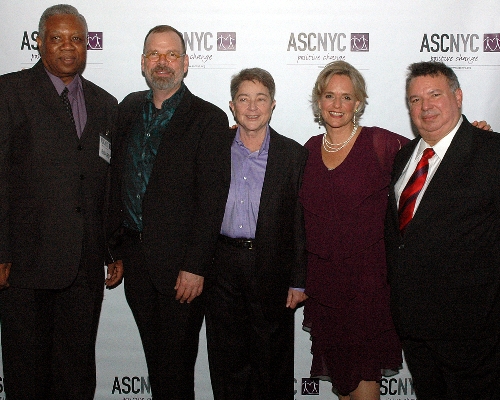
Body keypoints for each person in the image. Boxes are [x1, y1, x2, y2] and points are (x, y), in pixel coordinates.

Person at [0, 4, 120, 399]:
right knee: (26, 373)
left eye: (76, 39)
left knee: (76, 374)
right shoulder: (9, 93)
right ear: (38, 42)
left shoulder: (105, 104)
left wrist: (111, 248)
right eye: (57, 38)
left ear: (87, 45)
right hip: (24, 264)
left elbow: (106, 185)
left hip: (84, 268)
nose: (68, 47)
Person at [106, 25, 230, 399]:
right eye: (155, 55)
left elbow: (212, 199)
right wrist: (115, 250)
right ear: (144, 63)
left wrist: (195, 266)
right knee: (155, 362)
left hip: (182, 269)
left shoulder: (207, 119)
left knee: (176, 367)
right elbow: (115, 180)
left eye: (171, 54)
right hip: (136, 262)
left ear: (186, 63)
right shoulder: (126, 108)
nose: (163, 63)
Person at [187, 67, 308, 399]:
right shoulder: (213, 148)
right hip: (220, 266)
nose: (252, 108)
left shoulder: (293, 155)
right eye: (244, 99)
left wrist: (298, 279)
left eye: (260, 99)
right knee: (227, 359)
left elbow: (299, 222)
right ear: (231, 105)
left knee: (273, 361)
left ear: (272, 105)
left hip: (271, 266)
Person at [385, 61, 500, 399]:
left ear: (458, 97)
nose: (425, 106)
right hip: (414, 327)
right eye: (415, 100)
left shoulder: (491, 152)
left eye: (435, 95)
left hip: (474, 332)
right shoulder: (404, 156)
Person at [299, 60, 406, 400]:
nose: (337, 105)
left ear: (358, 103)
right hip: (325, 288)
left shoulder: (380, 144)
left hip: (367, 288)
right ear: (319, 101)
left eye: (347, 97)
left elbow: (431, 158)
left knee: (363, 387)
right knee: (344, 387)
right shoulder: (309, 150)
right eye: (330, 96)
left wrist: (468, 136)